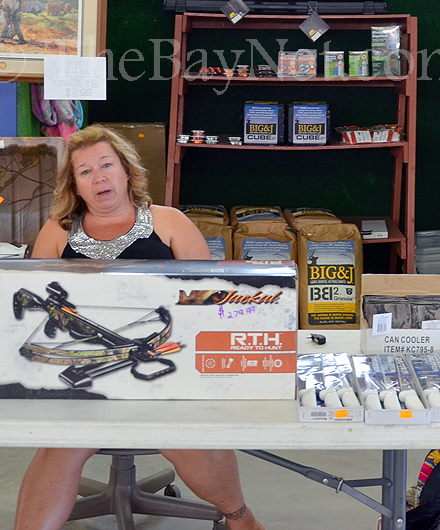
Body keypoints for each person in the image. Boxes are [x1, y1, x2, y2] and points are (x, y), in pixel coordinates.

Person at [15, 124, 266, 530]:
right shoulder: (57, 231)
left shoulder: (170, 222)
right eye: (85, 171)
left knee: (184, 437)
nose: (98, 177)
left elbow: (209, 299)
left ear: (126, 171)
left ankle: (241, 519)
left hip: (167, 366)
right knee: (61, 444)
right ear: (75, 185)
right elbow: (35, 310)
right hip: (85, 374)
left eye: (106, 165)